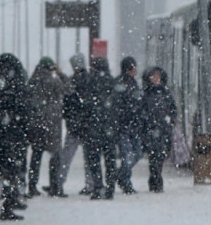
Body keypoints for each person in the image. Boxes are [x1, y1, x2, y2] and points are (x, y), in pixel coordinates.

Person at [0, 53, 28, 220]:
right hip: (8, 136)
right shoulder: (10, 87)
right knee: (10, 172)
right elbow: (20, 108)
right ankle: (7, 206)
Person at [25, 57, 72, 197]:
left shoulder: (32, 81)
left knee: (36, 155)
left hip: (36, 122)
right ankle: (55, 187)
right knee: (55, 156)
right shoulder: (54, 81)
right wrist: (61, 74)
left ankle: (32, 186)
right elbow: (69, 89)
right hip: (52, 123)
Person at [51, 53, 94, 197]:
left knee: (66, 157)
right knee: (88, 158)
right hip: (87, 125)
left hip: (74, 126)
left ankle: (59, 183)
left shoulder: (73, 81)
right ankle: (90, 184)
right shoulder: (90, 80)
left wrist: (67, 115)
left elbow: (68, 94)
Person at [78, 57, 118, 200]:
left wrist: (84, 125)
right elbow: (118, 106)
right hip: (109, 128)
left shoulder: (90, 82)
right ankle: (110, 188)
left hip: (93, 128)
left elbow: (84, 106)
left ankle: (97, 187)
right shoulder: (113, 83)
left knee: (94, 159)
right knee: (110, 159)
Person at [111, 56, 144, 194]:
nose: (136, 69)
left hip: (132, 125)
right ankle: (125, 180)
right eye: (134, 67)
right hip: (124, 126)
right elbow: (119, 104)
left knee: (136, 153)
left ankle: (119, 175)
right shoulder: (122, 83)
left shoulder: (131, 83)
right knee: (128, 154)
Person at [141, 66, 177, 192]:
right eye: (153, 76)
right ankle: (156, 180)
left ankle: (155, 179)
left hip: (163, 130)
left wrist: (170, 122)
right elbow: (142, 111)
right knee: (154, 156)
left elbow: (173, 110)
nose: (156, 79)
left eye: (158, 76)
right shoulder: (146, 93)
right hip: (151, 130)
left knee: (160, 156)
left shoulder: (166, 93)